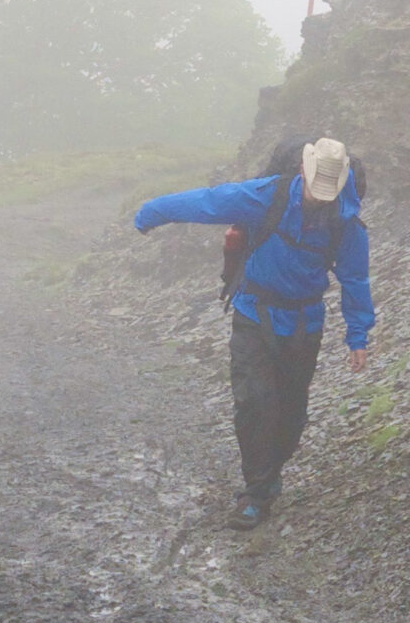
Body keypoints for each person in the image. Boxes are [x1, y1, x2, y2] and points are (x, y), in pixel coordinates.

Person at [134, 137, 373, 530]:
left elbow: (355, 278)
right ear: (303, 171)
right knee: (255, 402)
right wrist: (152, 212)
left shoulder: (344, 219)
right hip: (253, 314)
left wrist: (358, 335)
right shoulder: (267, 196)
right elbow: (209, 201)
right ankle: (256, 493)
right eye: (316, 187)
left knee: (292, 416)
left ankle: (268, 475)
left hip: (304, 323)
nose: (320, 197)